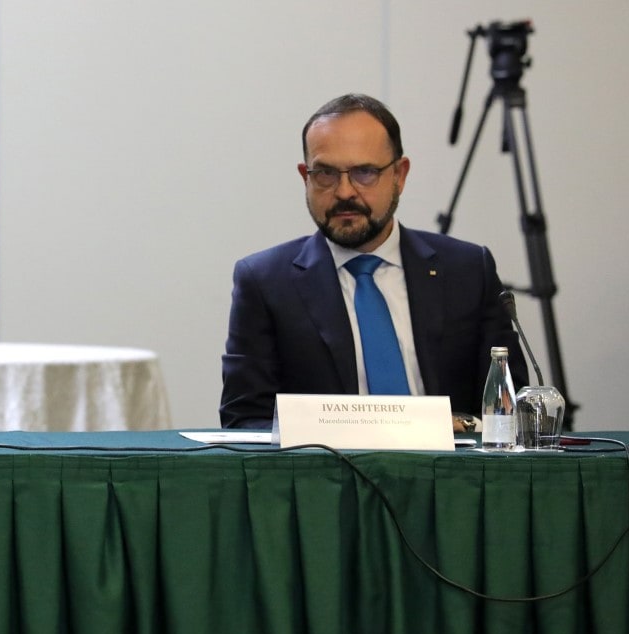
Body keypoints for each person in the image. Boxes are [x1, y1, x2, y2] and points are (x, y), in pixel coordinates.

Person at [219, 93, 527, 428]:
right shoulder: (265, 283)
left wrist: (459, 426)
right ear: (305, 177)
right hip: (326, 462)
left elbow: (512, 410)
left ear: (399, 175)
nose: (344, 192)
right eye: (325, 173)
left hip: (452, 459)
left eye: (365, 172)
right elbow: (245, 421)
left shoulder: (468, 270)